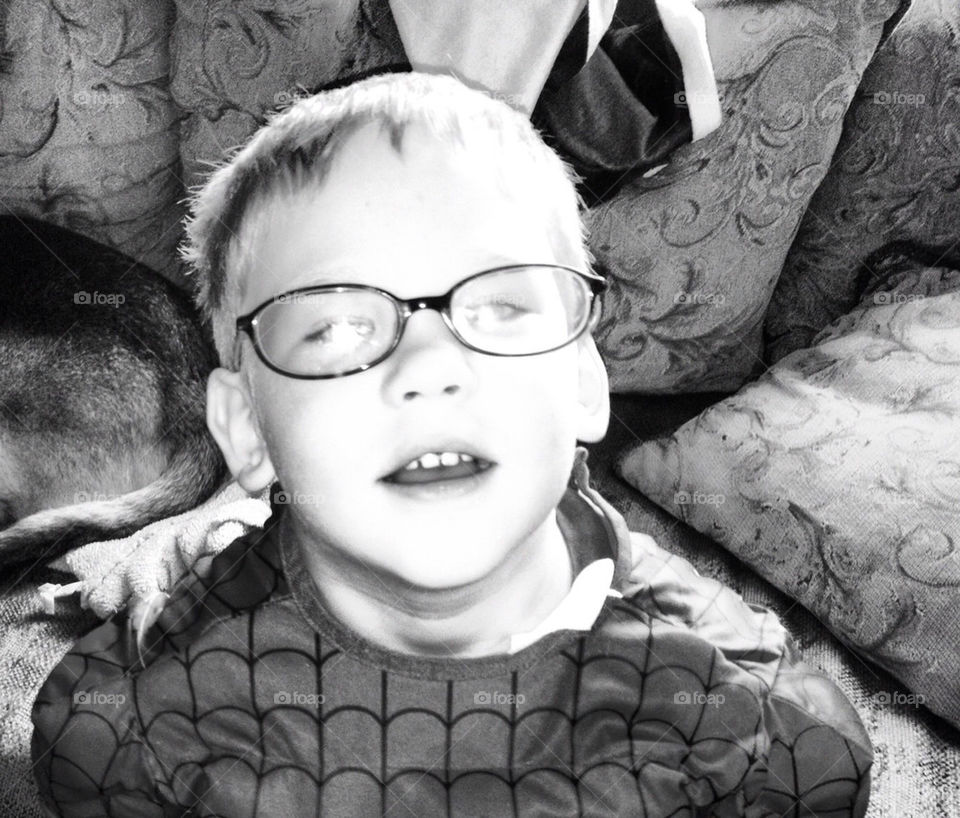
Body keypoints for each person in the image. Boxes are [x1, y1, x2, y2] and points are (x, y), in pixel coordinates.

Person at [31, 72, 871, 817]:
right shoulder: (143, 725)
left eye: (501, 307)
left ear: (582, 382)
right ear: (247, 431)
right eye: (336, 326)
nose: (429, 366)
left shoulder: (750, 720)